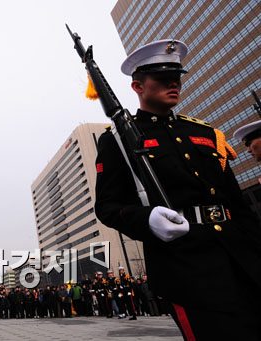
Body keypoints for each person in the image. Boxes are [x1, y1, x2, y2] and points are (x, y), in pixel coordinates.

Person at [95, 39, 261, 340]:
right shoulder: (117, 139)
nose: (173, 84)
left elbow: (237, 203)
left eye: (177, 78)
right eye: (162, 79)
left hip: (243, 256)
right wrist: (146, 220)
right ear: (138, 87)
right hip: (187, 266)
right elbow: (107, 207)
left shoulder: (205, 132)